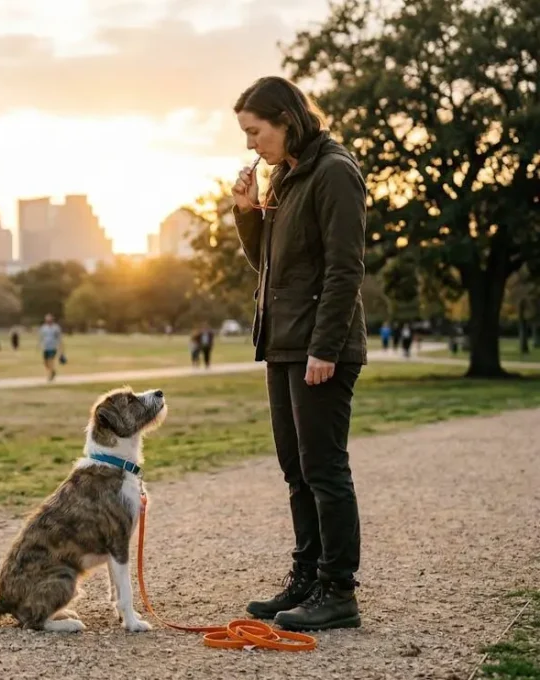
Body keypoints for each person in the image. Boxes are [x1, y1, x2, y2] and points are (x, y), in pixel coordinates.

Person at [231, 76, 368, 632]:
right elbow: (271, 266)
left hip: (320, 348)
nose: (249, 144)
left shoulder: (334, 171)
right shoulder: (286, 177)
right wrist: (247, 211)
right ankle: (308, 576)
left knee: (324, 469)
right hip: (284, 344)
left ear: (286, 119)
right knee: (296, 470)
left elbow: (345, 269)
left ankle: (339, 592)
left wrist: (325, 347)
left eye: (255, 130)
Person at [38, 314, 64, 382]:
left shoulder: (56, 328)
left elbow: (59, 337)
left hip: (53, 347)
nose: (48, 321)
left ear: (52, 320)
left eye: (49, 319)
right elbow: (41, 337)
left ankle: (51, 376)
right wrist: (40, 344)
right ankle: (53, 371)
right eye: (47, 319)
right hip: (45, 347)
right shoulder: (43, 328)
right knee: (45, 363)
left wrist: (60, 347)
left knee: (51, 361)